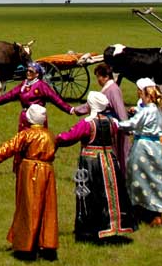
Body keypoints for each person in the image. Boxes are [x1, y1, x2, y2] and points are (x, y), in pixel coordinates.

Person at [0, 104, 59, 260]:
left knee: (28, 207)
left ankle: (26, 246)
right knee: (46, 207)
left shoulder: (26, 135)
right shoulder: (50, 135)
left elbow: (7, 148)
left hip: (30, 171)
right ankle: (46, 243)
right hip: (47, 172)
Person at [56, 91, 137, 241]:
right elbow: (122, 130)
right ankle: (111, 226)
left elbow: (70, 136)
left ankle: (89, 229)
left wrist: (55, 140)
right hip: (110, 162)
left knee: (87, 193)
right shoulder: (111, 122)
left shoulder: (87, 124)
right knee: (111, 193)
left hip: (90, 162)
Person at [116, 78, 162, 226]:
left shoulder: (147, 110)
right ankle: (155, 212)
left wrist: (116, 123)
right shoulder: (156, 109)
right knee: (155, 178)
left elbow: (132, 124)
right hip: (156, 148)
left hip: (143, 147)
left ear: (146, 95)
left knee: (137, 178)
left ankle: (138, 209)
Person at [74, 63, 131, 173]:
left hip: (114, 128)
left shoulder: (113, 89)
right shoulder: (108, 88)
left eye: (98, 77)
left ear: (105, 77)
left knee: (118, 153)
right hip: (106, 126)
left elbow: (120, 109)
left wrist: (125, 126)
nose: (98, 80)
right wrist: (76, 110)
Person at [0, 61, 74, 131]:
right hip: (25, 118)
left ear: (37, 74)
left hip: (37, 118)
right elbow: (10, 95)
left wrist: (69, 109)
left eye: (31, 71)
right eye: (27, 70)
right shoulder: (24, 84)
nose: (28, 73)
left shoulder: (41, 85)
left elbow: (55, 99)